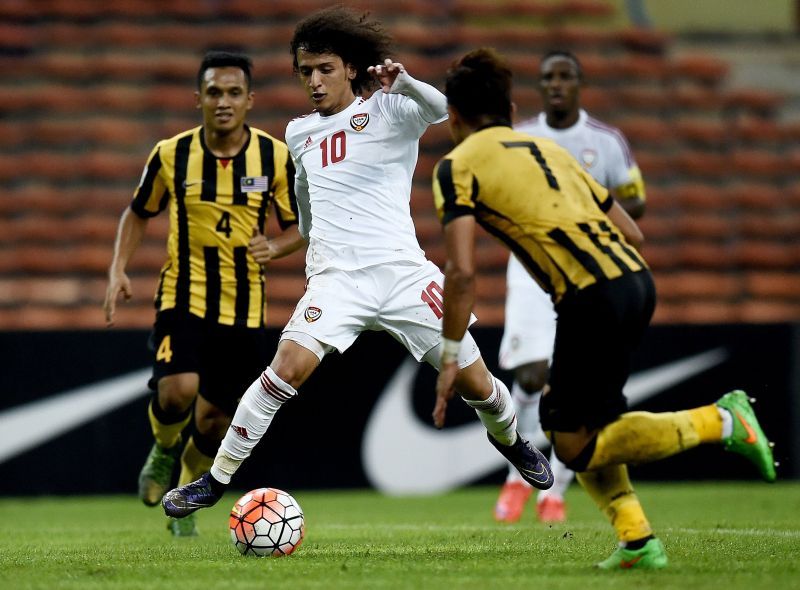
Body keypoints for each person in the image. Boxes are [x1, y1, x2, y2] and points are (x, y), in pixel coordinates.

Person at [160, 7, 553, 519]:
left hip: (403, 275)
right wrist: (299, 244)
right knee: (284, 371)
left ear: (350, 68)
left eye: (325, 69)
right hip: (337, 281)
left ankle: (512, 441)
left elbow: (440, 109)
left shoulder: (390, 109)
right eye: (306, 72)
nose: (315, 81)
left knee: (475, 383)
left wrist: (405, 81)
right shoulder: (299, 134)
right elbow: (305, 204)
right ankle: (213, 482)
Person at [432, 48, 776, 570]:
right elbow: (631, 230)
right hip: (633, 281)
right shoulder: (548, 150)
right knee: (579, 424)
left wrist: (451, 353)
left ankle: (723, 421)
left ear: (454, 116)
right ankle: (637, 541)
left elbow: (459, 272)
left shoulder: (456, 166)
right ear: (510, 104)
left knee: (570, 442)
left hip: (589, 296)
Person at [103, 50, 304, 536]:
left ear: (250, 100)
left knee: (214, 422)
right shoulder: (171, 154)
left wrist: (275, 246)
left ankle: (184, 498)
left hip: (244, 306)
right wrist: (118, 270)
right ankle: (163, 450)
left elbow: (304, 226)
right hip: (183, 294)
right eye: (214, 92)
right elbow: (138, 212)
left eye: (234, 92)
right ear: (199, 99)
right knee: (178, 391)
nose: (223, 101)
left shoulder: (274, 156)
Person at [495, 49, 647, 524]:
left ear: (579, 84)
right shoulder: (521, 139)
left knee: (570, 382)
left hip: (584, 272)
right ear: (539, 87)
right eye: (548, 77)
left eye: (565, 76)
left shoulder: (605, 141)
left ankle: (553, 490)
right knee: (532, 377)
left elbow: (634, 202)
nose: (556, 84)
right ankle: (519, 475)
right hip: (530, 269)